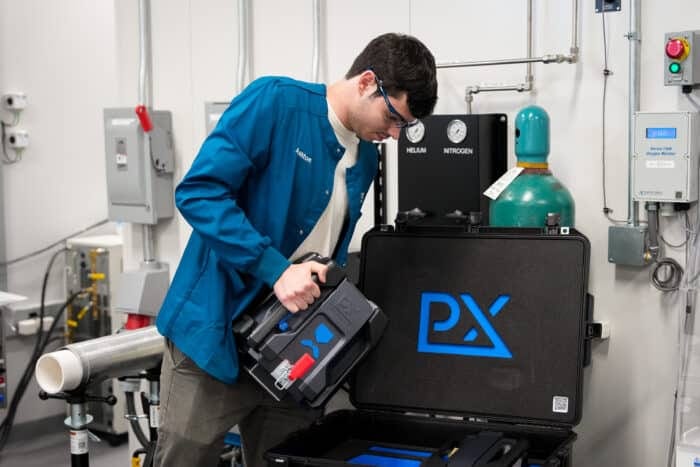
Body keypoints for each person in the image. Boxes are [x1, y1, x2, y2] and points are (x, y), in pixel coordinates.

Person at [153, 32, 438, 467]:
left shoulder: (366, 157)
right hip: (215, 335)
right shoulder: (275, 103)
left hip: (292, 349)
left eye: (405, 126)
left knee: (287, 459)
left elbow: (330, 243)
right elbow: (199, 193)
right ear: (366, 82)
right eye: (393, 117)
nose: (395, 135)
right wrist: (276, 269)